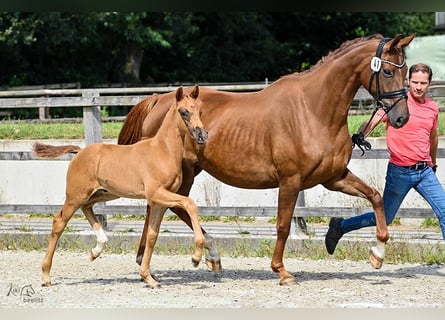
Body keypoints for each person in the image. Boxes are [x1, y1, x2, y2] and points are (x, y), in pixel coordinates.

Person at [325, 63, 445, 255]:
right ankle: (341, 226)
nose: (419, 87)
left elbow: (433, 136)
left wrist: (433, 163)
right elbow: (373, 120)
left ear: (429, 84)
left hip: (424, 172)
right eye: (415, 82)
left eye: (423, 83)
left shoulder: (432, 108)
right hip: (400, 172)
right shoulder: (396, 102)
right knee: (385, 218)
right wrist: (360, 134)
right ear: (408, 81)